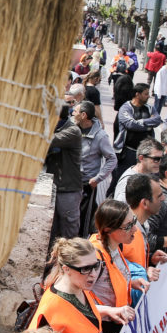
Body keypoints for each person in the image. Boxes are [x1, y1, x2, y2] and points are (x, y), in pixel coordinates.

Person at [89, 200, 148, 320]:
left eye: (134, 221)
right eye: (128, 226)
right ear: (107, 230)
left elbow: (109, 283)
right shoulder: (93, 258)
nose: (135, 229)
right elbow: (77, 303)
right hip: (101, 328)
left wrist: (130, 284)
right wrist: (111, 311)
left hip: (116, 324)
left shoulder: (114, 246)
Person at [74, 100, 116, 236]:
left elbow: (112, 159)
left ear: (84, 115)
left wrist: (97, 179)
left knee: (83, 220)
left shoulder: (100, 136)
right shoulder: (73, 128)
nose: (72, 113)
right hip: (70, 181)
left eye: (76, 111)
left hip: (87, 184)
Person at [46, 102, 83, 241]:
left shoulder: (72, 131)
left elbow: (49, 141)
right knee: (51, 230)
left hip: (68, 190)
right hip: (54, 187)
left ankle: (69, 261)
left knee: (68, 232)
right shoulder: (54, 128)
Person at [122, 173, 167, 276]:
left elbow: (132, 260)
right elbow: (113, 268)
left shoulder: (143, 225)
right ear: (145, 203)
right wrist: (143, 273)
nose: (163, 199)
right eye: (159, 196)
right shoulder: (123, 231)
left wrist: (150, 259)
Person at [113, 83, 161, 180]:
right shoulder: (126, 108)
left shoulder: (150, 108)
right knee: (120, 179)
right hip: (128, 153)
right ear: (137, 94)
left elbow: (157, 120)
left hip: (145, 154)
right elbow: (130, 124)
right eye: (146, 94)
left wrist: (141, 122)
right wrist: (148, 126)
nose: (148, 96)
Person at [113, 138, 163, 203]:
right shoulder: (128, 182)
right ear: (141, 158)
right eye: (156, 159)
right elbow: (120, 209)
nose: (160, 162)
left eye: (162, 158)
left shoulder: (149, 174)